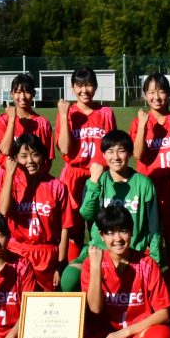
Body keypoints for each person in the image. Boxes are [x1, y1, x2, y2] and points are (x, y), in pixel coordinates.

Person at [60, 129, 163, 292]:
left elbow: (154, 227)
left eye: (121, 151)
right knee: (69, 278)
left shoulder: (144, 183)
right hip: (98, 250)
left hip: (132, 251)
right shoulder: (95, 181)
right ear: (104, 154)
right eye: (110, 151)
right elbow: (86, 214)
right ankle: (88, 315)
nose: (116, 157)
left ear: (129, 154)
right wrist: (94, 182)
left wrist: (155, 260)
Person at [81, 206, 170, 338]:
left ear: (132, 232)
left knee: (165, 336)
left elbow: (164, 314)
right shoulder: (91, 263)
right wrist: (96, 268)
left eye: (123, 231)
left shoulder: (147, 263)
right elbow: (94, 308)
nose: (117, 238)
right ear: (101, 236)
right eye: (110, 233)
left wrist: (126, 332)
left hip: (138, 335)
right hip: (106, 337)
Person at [0, 134, 72, 291]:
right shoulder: (12, 184)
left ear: (43, 157)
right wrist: (9, 174)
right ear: (15, 158)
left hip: (47, 254)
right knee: (17, 303)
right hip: (17, 251)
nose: (30, 161)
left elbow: (65, 227)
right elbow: (3, 210)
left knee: (44, 306)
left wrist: (61, 263)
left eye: (35, 154)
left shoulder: (57, 186)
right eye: (23, 156)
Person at [56, 66, 116, 256]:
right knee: (73, 229)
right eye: (79, 86)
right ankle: (74, 273)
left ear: (96, 87)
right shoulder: (68, 113)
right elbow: (64, 149)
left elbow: (112, 147)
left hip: (99, 176)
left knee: (100, 227)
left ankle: (100, 271)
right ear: (73, 87)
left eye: (89, 85)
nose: (84, 90)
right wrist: (65, 116)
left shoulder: (106, 113)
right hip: (73, 175)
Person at [130, 72, 170, 248]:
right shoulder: (138, 123)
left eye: (161, 91)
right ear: (144, 95)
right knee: (150, 239)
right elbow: (138, 154)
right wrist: (143, 125)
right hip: (148, 188)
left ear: (168, 94)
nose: (156, 97)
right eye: (151, 92)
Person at [0, 73, 54, 169]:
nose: (22, 97)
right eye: (17, 92)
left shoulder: (43, 123)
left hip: (34, 179)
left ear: (34, 93)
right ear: (11, 94)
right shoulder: (2, 120)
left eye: (27, 91)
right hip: (8, 177)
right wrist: (12, 120)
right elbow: (5, 150)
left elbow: (47, 159)